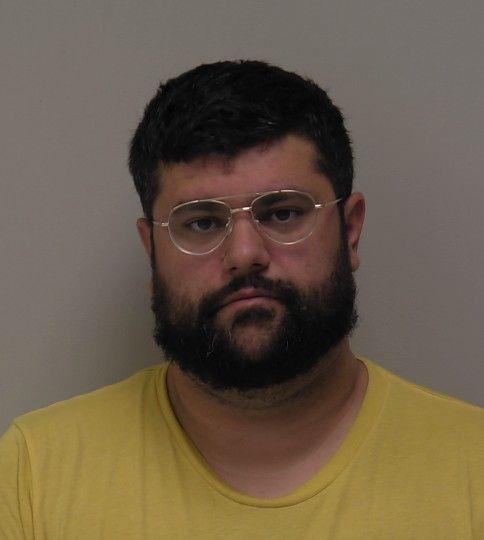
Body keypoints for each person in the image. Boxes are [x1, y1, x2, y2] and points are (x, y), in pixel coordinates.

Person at [1, 60, 483, 539]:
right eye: (202, 222)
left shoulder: (473, 470)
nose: (245, 255)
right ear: (152, 252)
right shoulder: (33, 477)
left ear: (350, 230)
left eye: (283, 213)